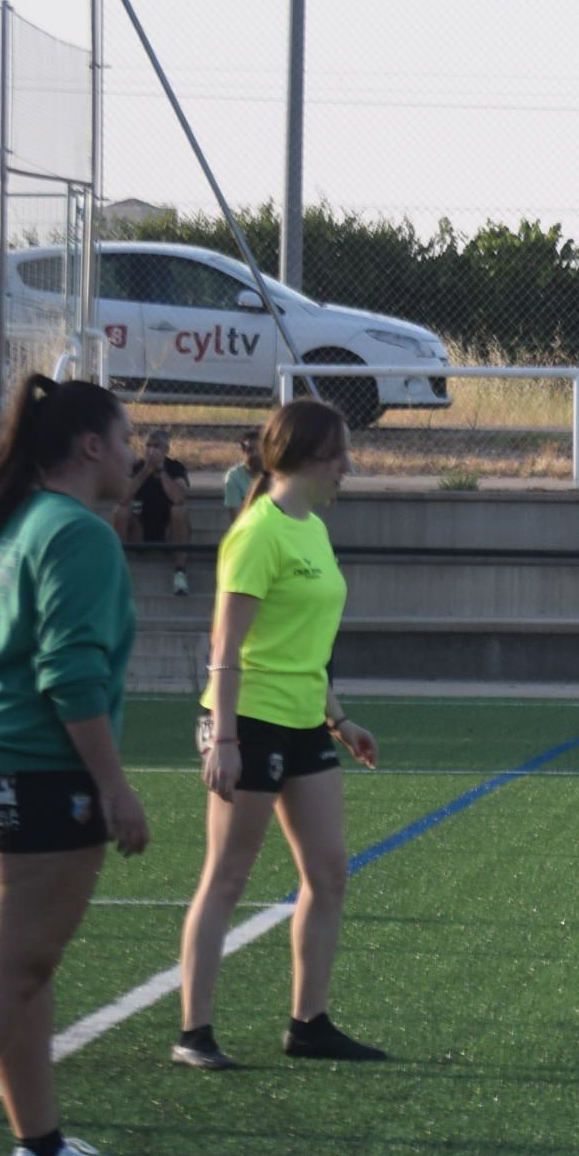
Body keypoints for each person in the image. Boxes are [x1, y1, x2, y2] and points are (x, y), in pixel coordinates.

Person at [0, 377, 147, 1156]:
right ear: (90, 446)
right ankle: (33, 1143)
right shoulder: (77, 533)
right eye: (125, 436)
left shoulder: (16, 521)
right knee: (13, 968)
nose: (132, 452)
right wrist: (114, 787)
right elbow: (68, 673)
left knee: (23, 965)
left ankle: (38, 1144)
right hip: (40, 769)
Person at [173, 397, 384, 1070]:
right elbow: (226, 646)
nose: (347, 468)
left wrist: (340, 718)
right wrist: (226, 739)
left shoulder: (312, 529)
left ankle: (308, 1023)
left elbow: (305, 645)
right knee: (228, 877)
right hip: (249, 719)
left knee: (329, 873)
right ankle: (194, 1033)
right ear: (303, 459)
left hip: (301, 719)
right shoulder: (258, 533)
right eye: (338, 455)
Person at [125, 427, 193, 596]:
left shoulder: (176, 467)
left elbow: (179, 497)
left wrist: (161, 471)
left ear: (166, 450)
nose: (151, 450)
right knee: (120, 510)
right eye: (148, 445)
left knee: (180, 511)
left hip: (168, 531)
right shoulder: (137, 468)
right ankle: (117, 570)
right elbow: (122, 497)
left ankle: (179, 573)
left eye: (156, 446)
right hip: (139, 530)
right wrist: (146, 471)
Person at [221, 430, 264, 517]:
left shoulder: (276, 474)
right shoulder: (233, 477)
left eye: (259, 450)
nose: (255, 454)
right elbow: (237, 520)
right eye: (250, 450)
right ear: (243, 452)